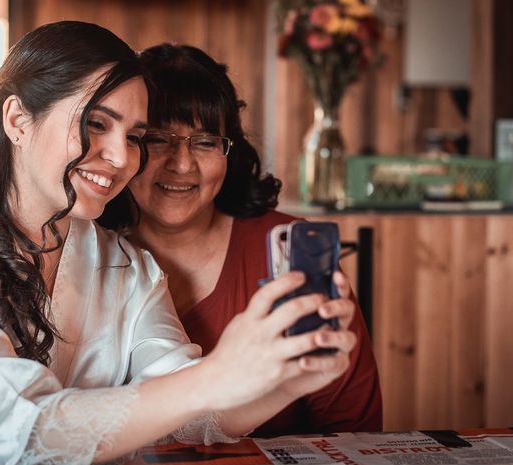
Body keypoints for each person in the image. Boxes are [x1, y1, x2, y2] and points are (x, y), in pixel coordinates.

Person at [0, 22, 358, 465]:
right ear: (19, 119)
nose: (123, 158)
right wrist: (217, 374)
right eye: (96, 124)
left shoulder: (123, 263)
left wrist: (286, 378)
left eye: (135, 137)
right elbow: (11, 429)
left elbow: (188, 411)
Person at [102, 43, 382, 437]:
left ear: (229, 152)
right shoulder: (87, 254)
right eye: (158, 139)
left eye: (205, 142)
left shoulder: (285, 251)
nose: (182, 164)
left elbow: (353, 425)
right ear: (126, 147)